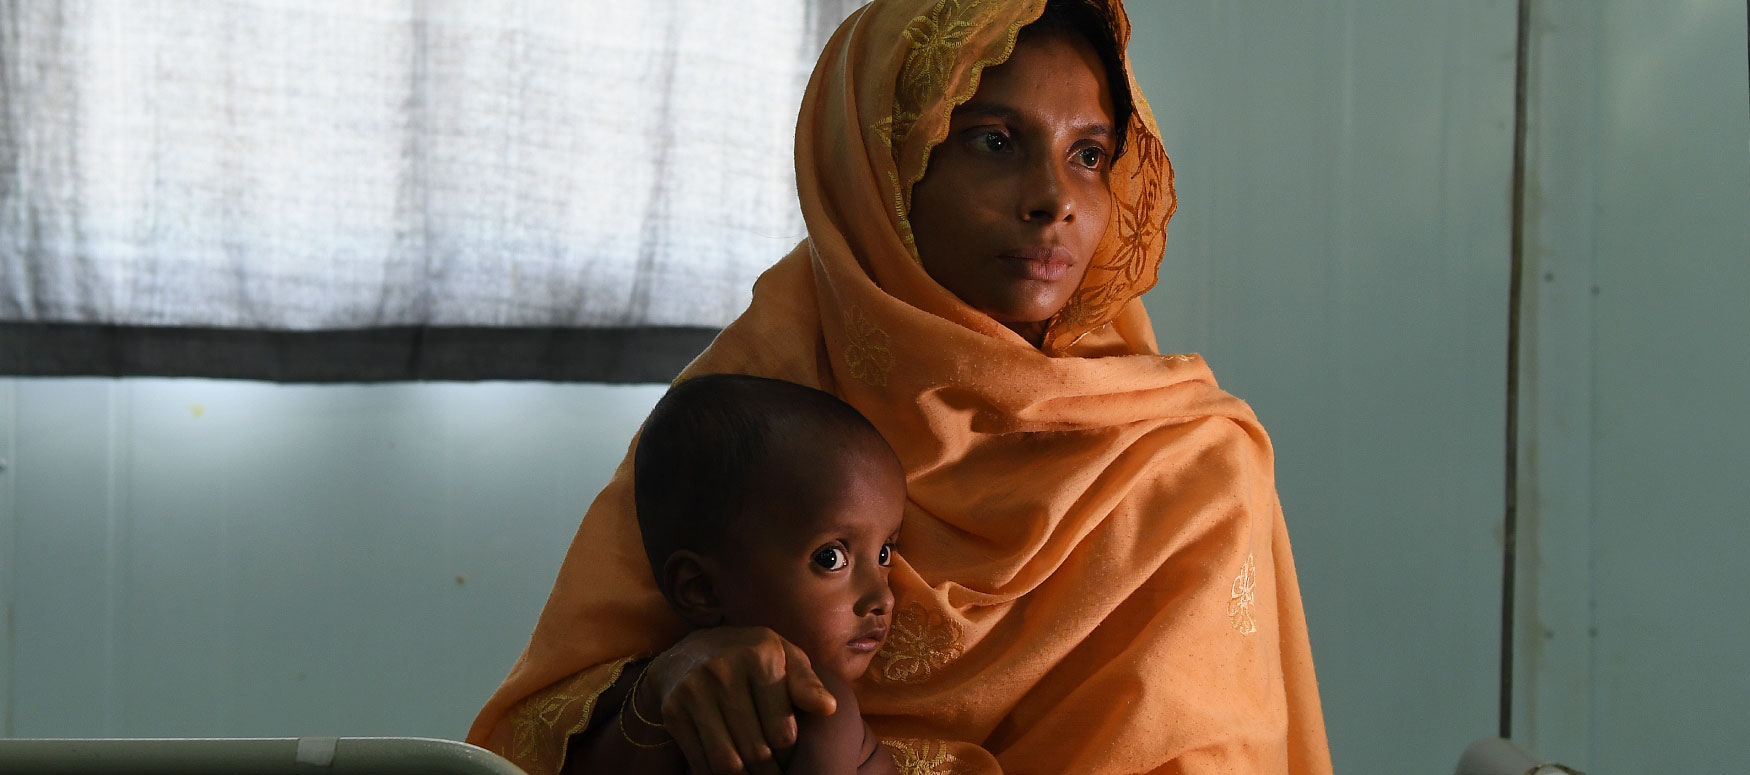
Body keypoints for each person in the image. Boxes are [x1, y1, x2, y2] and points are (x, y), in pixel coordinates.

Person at [469, 1, 1333, 773]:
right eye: (993, 141)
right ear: (879, 162)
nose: (1052, 199)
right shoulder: (758, 394)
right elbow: (544, 739)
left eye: (1090, 154)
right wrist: (662, 694)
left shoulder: (1187, 465)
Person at [569, 374, 902, 775]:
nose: (882, 597)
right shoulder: (823, 705)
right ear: (702, 589)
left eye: (885, 553)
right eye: (830, 558)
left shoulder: (620, 724)